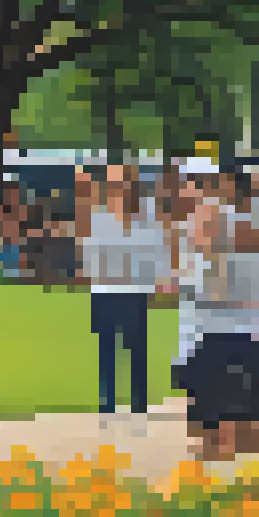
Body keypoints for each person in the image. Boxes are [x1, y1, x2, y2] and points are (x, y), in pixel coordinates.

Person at [167, 168, 259, 462]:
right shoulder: (215, 227)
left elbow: (213, 285)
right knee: (237, 396)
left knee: (221, 399)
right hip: (222, 329)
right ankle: (236, 439)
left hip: (218, 331)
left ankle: (225, 442)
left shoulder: (225, 226)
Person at [83, 163, 172, 416]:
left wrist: (154, 277)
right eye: (111, 185)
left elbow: (156, 252)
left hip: (134, 291)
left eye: (120, 184)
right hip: (106, 292)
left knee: (136, 352)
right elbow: (91, 255)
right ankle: (107, 404)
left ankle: (138, 404)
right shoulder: (99, 217)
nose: (116, 189)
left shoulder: (146, 217)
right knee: (107, 352)